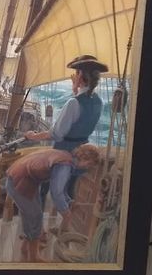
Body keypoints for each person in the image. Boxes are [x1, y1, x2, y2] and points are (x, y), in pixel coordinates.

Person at [25, 55, 108, 218]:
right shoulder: (98, 101)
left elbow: (56, 134)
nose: (73, 77)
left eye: (76, 73)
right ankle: (65, 226)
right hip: (83, 151)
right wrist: (76, 91)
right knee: (70, 189)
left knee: (44, 187)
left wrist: (33, 136)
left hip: (63, 151)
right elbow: (82, 116)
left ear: (80, 76)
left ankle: (37, 225)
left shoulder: (73, 103)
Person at [5, 145, 100, 262]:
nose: (87, 168)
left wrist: (69, 202)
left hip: (25, 180)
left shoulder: (66, 157)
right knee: (34, 216)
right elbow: (56, 192)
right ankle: (33, 257)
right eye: (89, 164)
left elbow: (61, 189)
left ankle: (26, 248)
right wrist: (65, 211)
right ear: (84, 158)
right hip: (19, 181)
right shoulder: (65, 165)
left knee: (32, 215)